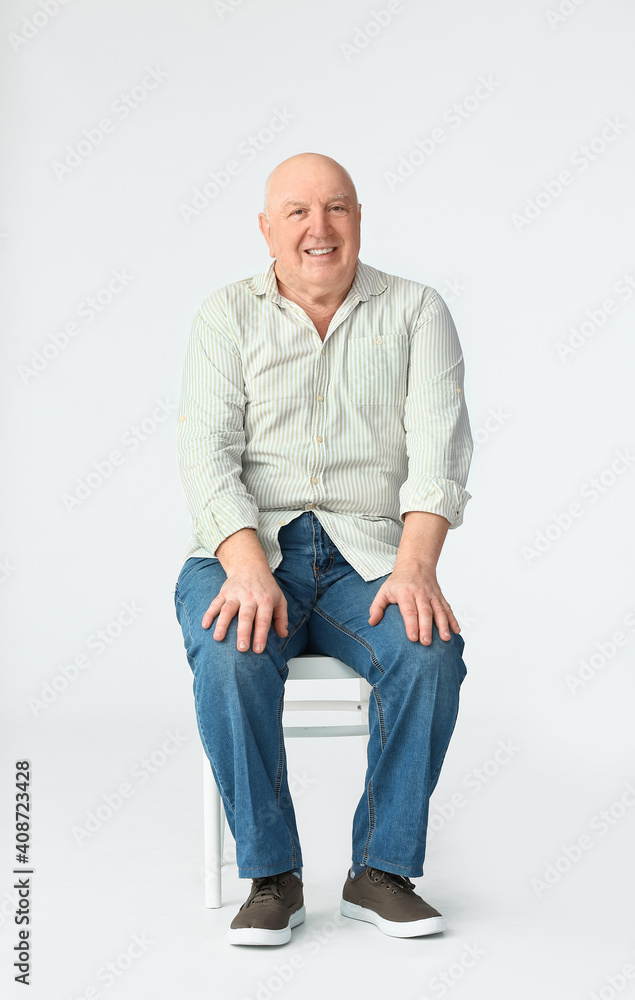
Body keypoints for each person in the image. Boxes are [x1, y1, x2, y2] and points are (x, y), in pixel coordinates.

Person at [174, 152, 473, 946]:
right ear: (266, 229)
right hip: (248, 546)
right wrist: (244, 565)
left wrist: (414, 568)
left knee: (429, 652)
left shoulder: (415, 310)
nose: (319, 228)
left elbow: (437, 455)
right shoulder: (224, 316)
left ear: (359, 219)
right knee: (230, 652)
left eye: (336, 208)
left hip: (369, 555)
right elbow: (205, 457)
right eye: (298, 212)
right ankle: (272, 878)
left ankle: (379, 871)